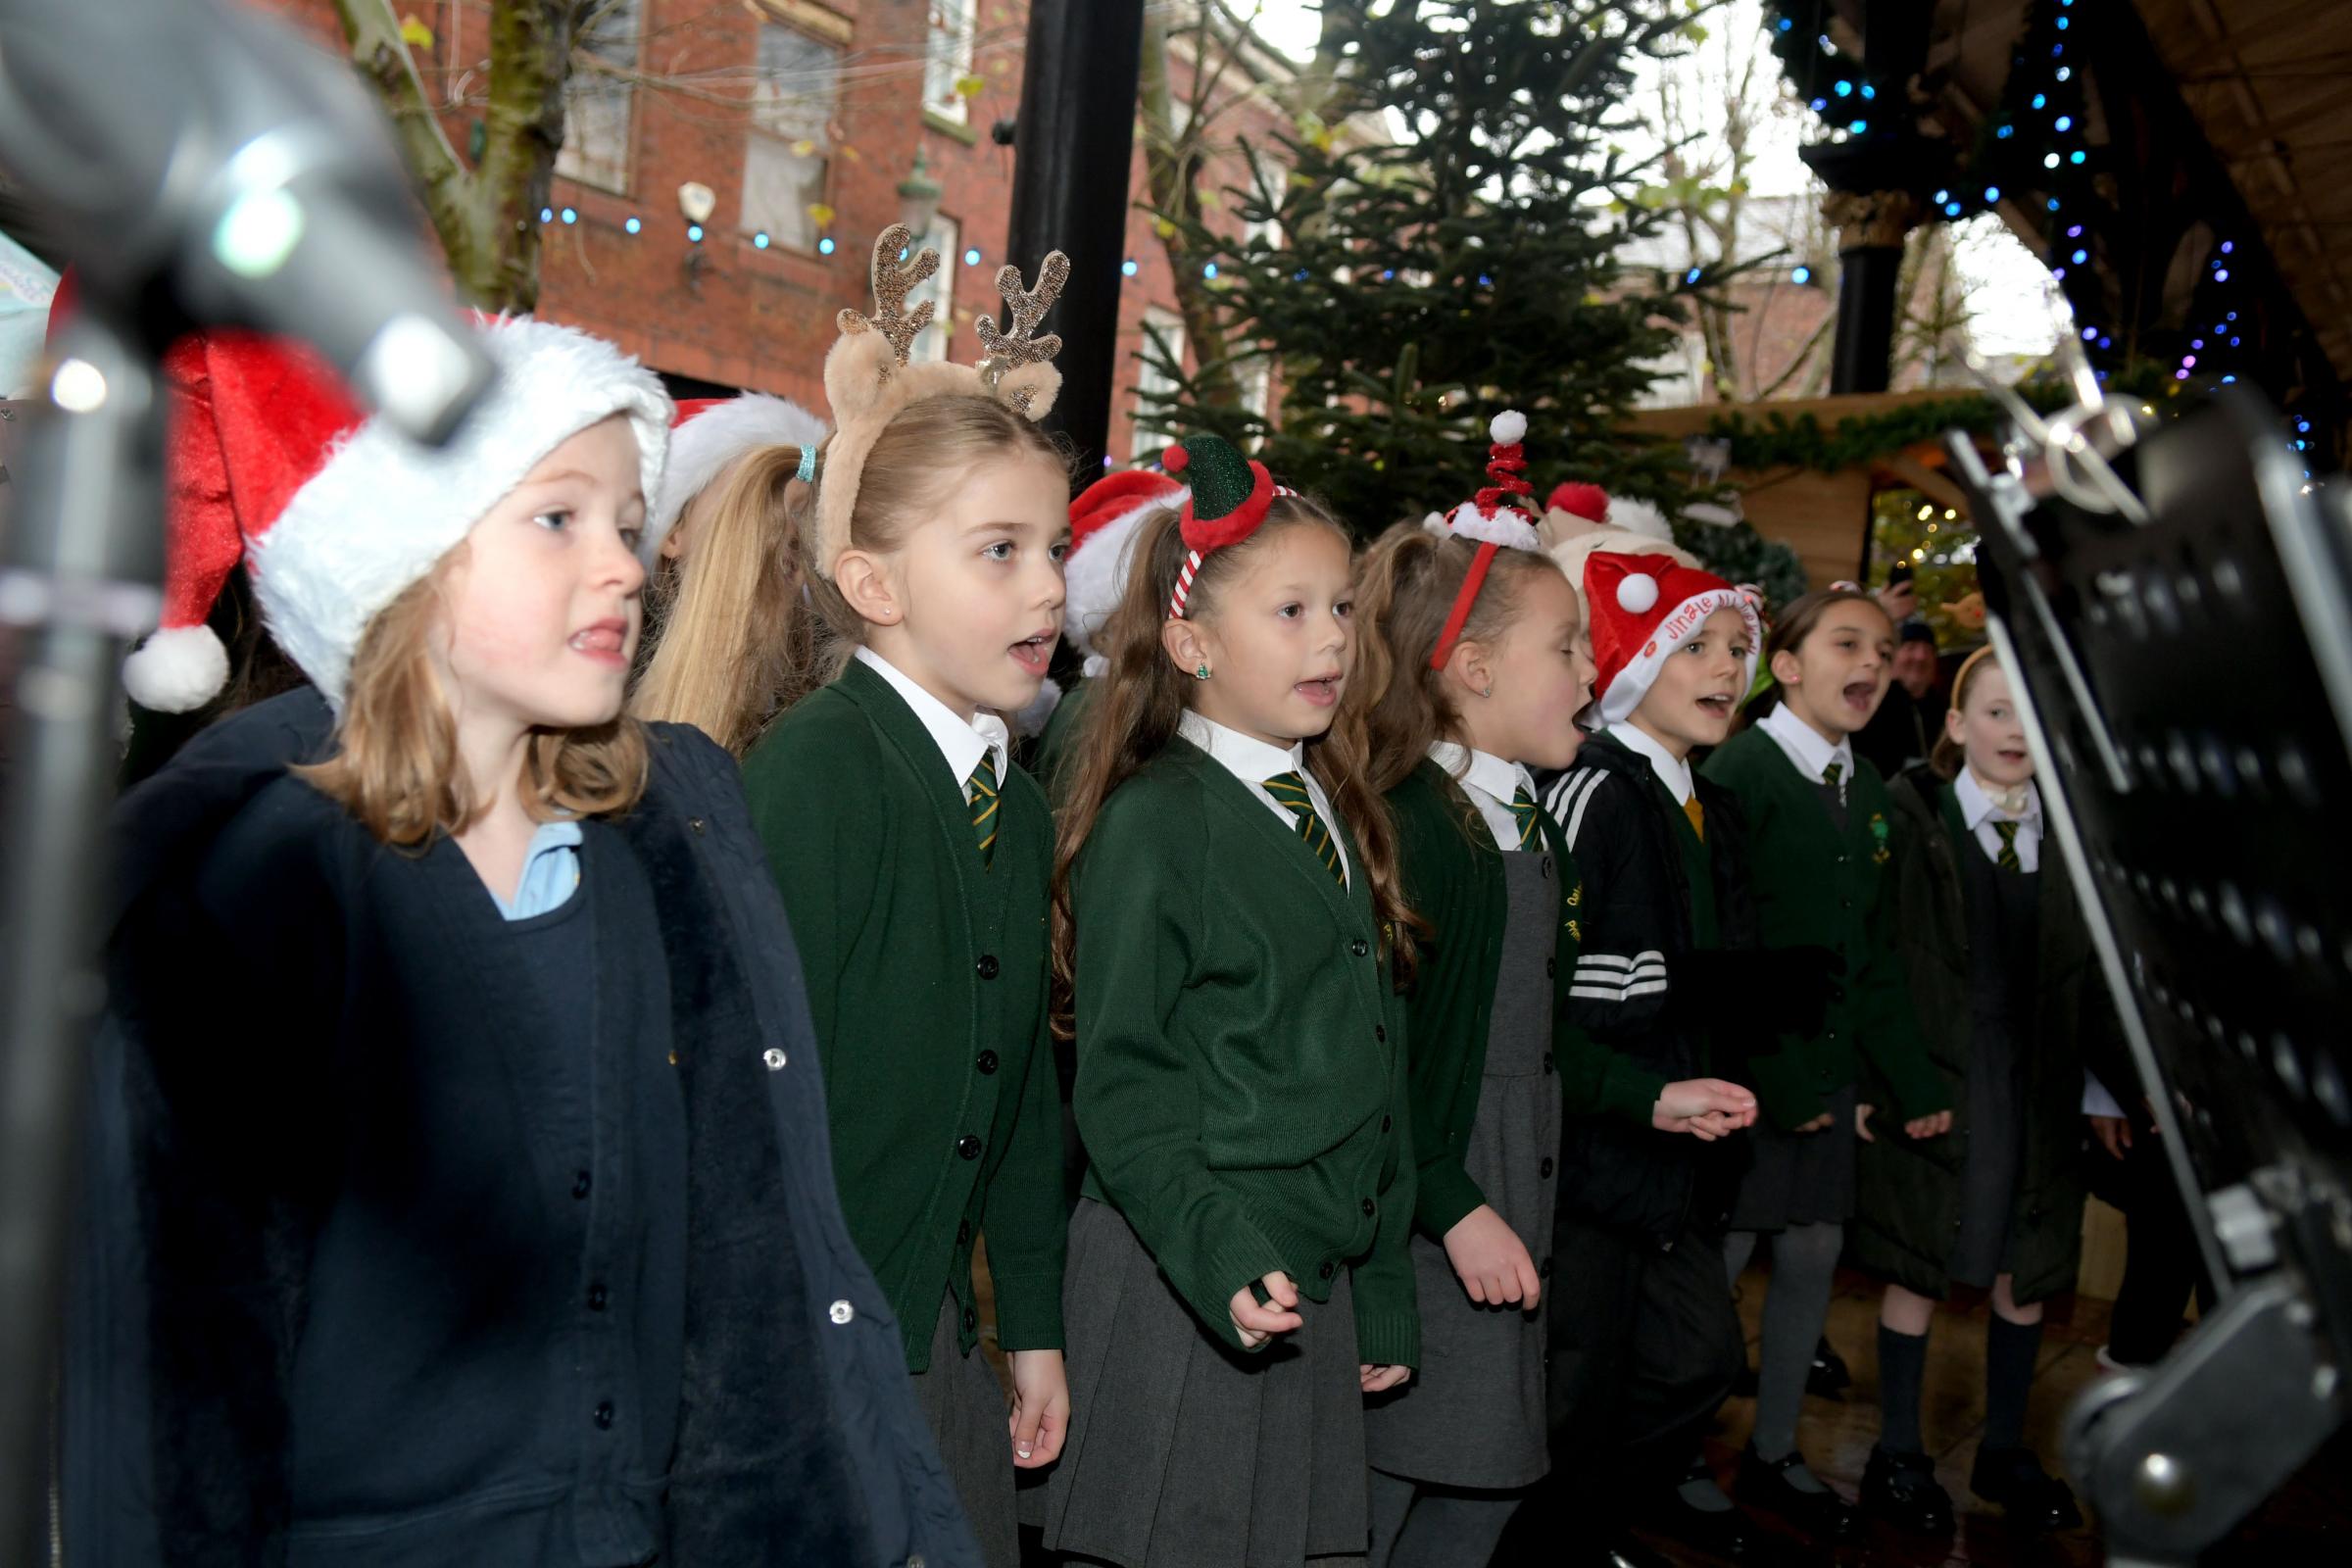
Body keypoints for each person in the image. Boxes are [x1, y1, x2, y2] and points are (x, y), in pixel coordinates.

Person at [78, 318, 979, 1565]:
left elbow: (750, 1267)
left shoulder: (663, 853)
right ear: (405, 556)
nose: (620, 565)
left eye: (626, 520)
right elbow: (167, 1380)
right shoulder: (255, 895)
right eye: (558, 518)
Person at [712, 228, 1076, 1567]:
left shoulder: (1019, 801)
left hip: (933, 1332)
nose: (1047, 584)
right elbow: (743, 1086)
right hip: (802, 1336)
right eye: (998, 551)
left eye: (1054, 545)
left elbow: (1027, 1090)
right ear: (871, 584)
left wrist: (1028, 1316)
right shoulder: (824, 767)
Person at [1351, 416, 1756, 1567]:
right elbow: (1386, 1058)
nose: (1594, 670)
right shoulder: (1424, 830)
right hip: (1438, 1223)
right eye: (1569, 647)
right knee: (1381, 1509)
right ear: (1472, 670)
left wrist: (1649, 1098)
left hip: (1503, 1210)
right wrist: (1451, 1201)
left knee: (1476, 1501)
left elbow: (1526, 1037)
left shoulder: (1524, 814)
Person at [1031, 433, 1417, 1567]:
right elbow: (1123, 1078)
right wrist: (1213, 1242)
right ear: (1193, 642)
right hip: (1189, 1278)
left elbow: (1374, 1067)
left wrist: (1385, 1274)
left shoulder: (1335, 799)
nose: (1335, 638)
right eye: (1291, 611)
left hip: (1307, 1287)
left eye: (1342, 608)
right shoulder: (1161, 821)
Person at [1525, 554, 1783, 1566]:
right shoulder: (1596, 789)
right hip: (1596, 1151)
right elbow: (1555, 989)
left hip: (1675, 1155)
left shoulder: (1706, 806)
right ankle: (1559, 1537)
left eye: (1738, 649)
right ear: (1638, 665)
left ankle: (1588, 1518)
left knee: (1695, 1360)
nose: (1728, 667)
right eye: (1698, 647)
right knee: (1577, 1381)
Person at [1699, 589, 1953, 1544]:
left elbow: (1877, 957)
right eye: (1847, 642)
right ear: (1789, 666)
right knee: (1719, 1263)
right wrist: (1786, 1080)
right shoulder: (1741, 773)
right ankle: (1682, 1452)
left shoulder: (1873, 789)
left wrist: (1913, 1082)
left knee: (1811, 1253)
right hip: (1751, 1073)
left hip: (1831, 1073)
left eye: (1884, 649)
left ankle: (1771, 1449)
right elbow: (1728, 946)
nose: (1873, 662)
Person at [1853, 647, 2125, 1536]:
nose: (2016, 733)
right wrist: (1876, 1076)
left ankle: (2006, 1447)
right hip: (1937, 1072)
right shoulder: (1911, 821)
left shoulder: (2075, 843)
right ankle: (1897, 1449)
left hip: (2035, 1084)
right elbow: (1876, 957)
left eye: (2035, 719)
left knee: (2030, 1259)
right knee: (1920, 1254)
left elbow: (2099, 981)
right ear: (1960, 727)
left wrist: (2113, 1089)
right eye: (1998, 714)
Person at [1031, 466, 1188, 793]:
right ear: (1102, 632)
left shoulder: (1152, 694)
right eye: (1160, 597)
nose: (1181, 609)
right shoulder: (1088, 717)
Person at [1854, 618, 1946, 779]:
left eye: (1928, 649)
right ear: (1891, 657)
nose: (1920, 656)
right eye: (1911, 648)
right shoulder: (1870, 706)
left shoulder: (1946, 709)